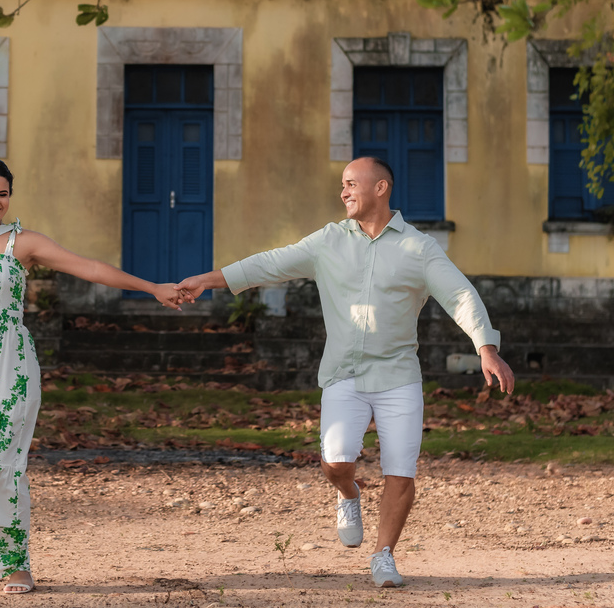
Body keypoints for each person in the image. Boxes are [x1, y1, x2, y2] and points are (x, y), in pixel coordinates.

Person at [176, 156, 514, 589]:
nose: (344, 191)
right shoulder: (327, 242)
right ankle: (348, 493)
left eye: (352, 183)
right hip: (343, 374)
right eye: (342, 184)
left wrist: (485, 347)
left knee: (401, 469)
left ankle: (384, 555)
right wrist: (209, 279)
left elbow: (460, 296)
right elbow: (270, 263)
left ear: (381, 188)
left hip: (398, 376)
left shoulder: (419, 248)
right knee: (336, 463)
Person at [0, 158, 184, 594]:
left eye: (3, 194)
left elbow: (91, 268)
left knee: (1, 462)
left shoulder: (21, 243)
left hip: (9, 365)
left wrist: (153, 288)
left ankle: (15, 565)